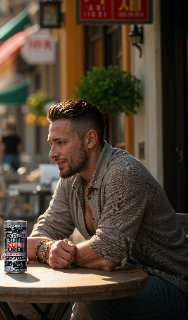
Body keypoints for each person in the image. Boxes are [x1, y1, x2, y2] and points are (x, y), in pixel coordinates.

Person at [21, 99, 188, 320]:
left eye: (60, 142)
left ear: (90, 139)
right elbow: (45, 229)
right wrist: (48, 248)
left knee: (92, 305)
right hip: (120, 277)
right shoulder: (71, 177)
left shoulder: (124, 173)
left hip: (169, 283)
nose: (52, 153)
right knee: (20, 302)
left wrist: (49, 251)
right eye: (51, 143)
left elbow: (106, 254)